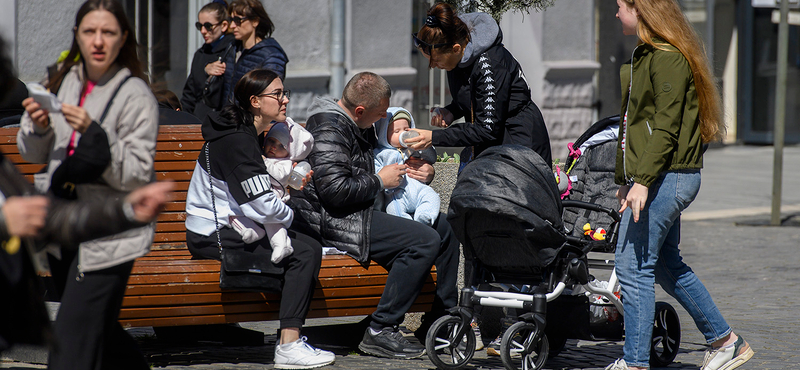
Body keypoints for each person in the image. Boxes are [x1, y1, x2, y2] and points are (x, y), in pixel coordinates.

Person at [0, 33, 172, 356]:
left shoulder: (134, 94)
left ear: (122, 40)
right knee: (98, 330)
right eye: (89, 32)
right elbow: (33, 153)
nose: (97, 43)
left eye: (107, 33)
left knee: (76, 333)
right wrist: (40, 127)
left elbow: (135, 169)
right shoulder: (61, 82)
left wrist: (96, 138)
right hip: (66, 232)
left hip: (106, 238)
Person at [605, 1, 754, 370]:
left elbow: (666, 127)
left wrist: (641, 181)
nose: (615, 13)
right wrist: (627, 180)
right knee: (665, 264)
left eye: (621, 6)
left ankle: (635, 363)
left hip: (667, 177)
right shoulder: (648, 55)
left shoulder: (667, 57)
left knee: (632, 266)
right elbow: (634, 126)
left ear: (641, 10)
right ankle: (725, 341)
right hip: (659, 177)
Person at [290, 72, 459, 359]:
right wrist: (380, 181)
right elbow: (334, 192)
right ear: (360, 110)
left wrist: (425, 169)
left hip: (363, 209)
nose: (384, 119)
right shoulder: (329, 130)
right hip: (337, 220)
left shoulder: (359, 122)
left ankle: (439, 322)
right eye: (380, 114)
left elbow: (395, 150)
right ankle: (381, 330)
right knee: (423, 241)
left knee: (444, 229)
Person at [184, 68, 334, 369]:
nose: (285, 100)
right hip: (212, 232)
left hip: (232, 223)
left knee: (307, 243)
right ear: (254, 101)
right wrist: (289, 215)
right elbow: (261, 205)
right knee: (304, 252)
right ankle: (288, 346)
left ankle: (289, 337)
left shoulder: (247, 133)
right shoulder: (237, 141)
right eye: (277, 94)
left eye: (284, 92)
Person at [406, 2, 552, 167]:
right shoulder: (457, 59)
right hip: (491, 145)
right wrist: (452, 112)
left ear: (455, 49)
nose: (433, 66)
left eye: (437, 61)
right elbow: (475, 96)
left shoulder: (490, 63)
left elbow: (487, 128)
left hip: (518, 143)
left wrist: (434, 137)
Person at [228, 117, 314, 263]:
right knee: (233, 213)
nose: (274, 147)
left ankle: (281, 245)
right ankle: (249, 230)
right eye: (271, 141)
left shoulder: (286, 164)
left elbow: (278, 176)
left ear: (289, 153)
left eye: (281, 146)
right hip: (255, 197)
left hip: (273, 200)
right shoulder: (267, 157)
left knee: (273, 224)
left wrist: (262, 161)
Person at [373, 107, 440, 226]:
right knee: (394, 209)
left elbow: (431, 157)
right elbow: (376, 169)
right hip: (396, 194)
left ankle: (424, 217)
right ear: (383, 133)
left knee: (432, 196)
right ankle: (408, 226)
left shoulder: (413, 149)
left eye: (406, 129)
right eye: (397, 131)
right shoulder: (381, 153)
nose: (403, 134)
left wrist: (423, 146)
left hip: (419, 189)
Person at [220, 0, 289, 104]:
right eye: (231, 20)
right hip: (226, 116)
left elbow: (272, 95)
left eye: (238, 20)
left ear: (255, 21)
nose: (233, 25)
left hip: (250, 118)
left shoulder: (272, 54)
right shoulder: (232, 47)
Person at [180, 0, 234, 122]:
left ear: (224, 25)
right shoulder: (200, 54)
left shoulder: (233, 50)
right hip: (199, 121)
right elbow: (189, 94)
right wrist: (182, 120)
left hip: (223, 121)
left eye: (208, 26)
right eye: (200, 26)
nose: (203, 31)